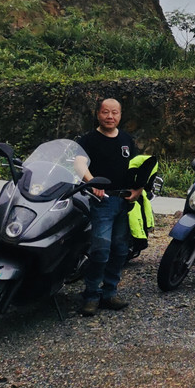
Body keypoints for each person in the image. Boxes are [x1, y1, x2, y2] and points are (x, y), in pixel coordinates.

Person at [76, 98, 148, 316]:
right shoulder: (88, 140)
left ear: (120, 114)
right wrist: (92, 181)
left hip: (124, 202)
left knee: (119, 250)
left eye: (114, 112)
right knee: (100, 250)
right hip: (102, 202)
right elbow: (78, 163)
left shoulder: (126, 139)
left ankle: (109, 293)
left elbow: (139, 166)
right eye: (106, 112)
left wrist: (139, 189)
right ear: (98, 114)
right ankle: (91, 295)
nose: (110, 116)